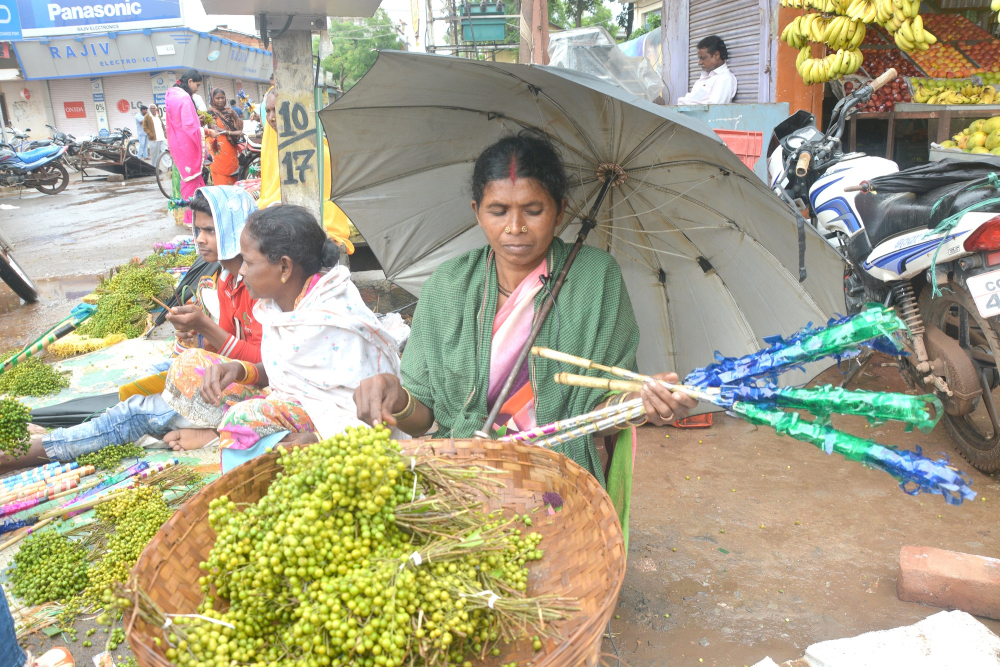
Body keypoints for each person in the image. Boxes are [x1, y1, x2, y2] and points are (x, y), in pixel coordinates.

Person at [354, 133, 697, 539]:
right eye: (498, 210)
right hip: (461, 479)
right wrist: (395, 396)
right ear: (476, 211)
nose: (515, 227)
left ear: (561, 211)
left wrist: (640, 403)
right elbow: (423, 420)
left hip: (557, 482)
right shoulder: (448, 286)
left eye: (533, 210)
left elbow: (603, 411)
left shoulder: (594, 278)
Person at [0, 186, 261, 470]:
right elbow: (215, 348)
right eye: (197, 230)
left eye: (210, 230)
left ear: (234, 229)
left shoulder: (257, 284)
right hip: (230, 376)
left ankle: (37, 450)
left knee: (135, 412)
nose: (199, 240)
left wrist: (205, 328)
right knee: (154, 374)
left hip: (255, 391)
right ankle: (181, 427)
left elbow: (262, 365)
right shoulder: (224, 278)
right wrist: (189, 338)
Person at [161, 205, 399, 452]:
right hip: (288, 400)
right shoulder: (276, 304)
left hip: (339, 429)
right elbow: (282, 371)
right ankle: (227, 435)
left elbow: (371, 410)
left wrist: (320, 440)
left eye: (249, 262)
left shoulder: (335, 321)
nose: (241, 270)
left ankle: (223, 435)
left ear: (284, 267)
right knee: (188, 368)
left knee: (244, 418)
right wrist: (237, 369)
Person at [258, 88, 354, 253]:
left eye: (277, 110)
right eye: (267, 111)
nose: (271, 118)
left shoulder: (317, 153)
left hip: (318, 222)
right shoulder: (276, 144)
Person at [165, 70, 206, 227]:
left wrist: (197, 119)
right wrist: (206, 131)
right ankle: (190, 219)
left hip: (177, 142)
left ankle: (200, 215)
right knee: (191, 181)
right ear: (190, 81)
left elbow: (182, 120)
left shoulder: (172, 95)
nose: (197, 88)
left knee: (195, 180)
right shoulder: (185, 98)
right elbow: (189, 126)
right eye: (197, 85)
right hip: (187, 144)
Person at [677, 35, 738, 105]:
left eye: (703, 58)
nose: (699, 63)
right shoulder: (704, 78)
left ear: (716, 55)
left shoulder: (724, 79)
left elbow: (713, 110)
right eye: (699, 58)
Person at [205, 87, 244, 186]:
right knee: (221, 176)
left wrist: (235, 116)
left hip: (231, 147)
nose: (220, 100)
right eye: (217, 98)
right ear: (212, 99)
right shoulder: (210, 112)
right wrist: (230, 133)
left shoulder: (229, 111)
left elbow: (239, 126)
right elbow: (214, 127)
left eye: (222, 98)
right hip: (218, 147)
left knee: (234, 173)